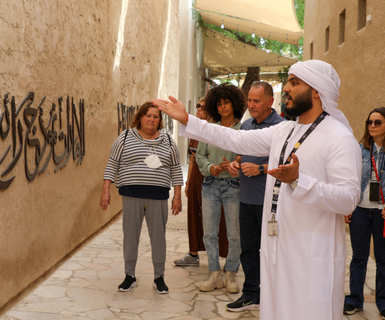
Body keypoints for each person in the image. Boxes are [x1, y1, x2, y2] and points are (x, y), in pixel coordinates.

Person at [153, 59, 361, 320]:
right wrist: (188, 119)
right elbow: (235, 137)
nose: (286, 88)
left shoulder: (339, 137)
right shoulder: (285, 130)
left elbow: (348, 199)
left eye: (295, 83)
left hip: (311, 253)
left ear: (317, 91)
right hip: (277, 247)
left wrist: (299, 181)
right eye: (288, 81)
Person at [100, 101, 183, 294]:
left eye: (156, 116)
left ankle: (159, 277)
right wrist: (105, 190)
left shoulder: (168, 141)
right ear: (140, 117)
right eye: (148, 115)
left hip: (158, 196)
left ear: (159, 120)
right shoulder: (126, 137)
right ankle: (130, 276)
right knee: (130, 236)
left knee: (158, 238)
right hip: (131, 195)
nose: (152, 119)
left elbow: (176, 169)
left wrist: (177, 196)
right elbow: (112, 163)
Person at [226, 81, 285, 311]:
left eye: (256, 101)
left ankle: (273, 295)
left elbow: (287, 163)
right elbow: (241, 154)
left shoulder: (282, 127)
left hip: (270, 203)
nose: (251, 105)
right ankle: (251, 293)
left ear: (270, 102)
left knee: (271, 250)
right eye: (249, 100)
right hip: (246, 199)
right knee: (248, 249)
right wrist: (235, 163)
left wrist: (260, 169)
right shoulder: (246, 125)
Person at [194, 84, 245, 293]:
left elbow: (247, 154)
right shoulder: (210, 129)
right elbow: (200, 156)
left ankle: (231, 273)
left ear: (234, 104)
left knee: (235, 235)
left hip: (234, 186)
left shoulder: (243, 130)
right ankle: (214, 273)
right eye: (219, 103)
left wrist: (235, 164)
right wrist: (211, 167)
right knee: (209, 234)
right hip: (210, 185)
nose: (223, 107)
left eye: (226, 102)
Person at [174, 98, 229, 267]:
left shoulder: (216, 130)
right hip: (197, 175)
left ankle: (226, 256)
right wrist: (188, 182)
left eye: (203, 107)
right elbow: (192, 158)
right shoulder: (195, 130)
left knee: (218, 216)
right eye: (197, 106)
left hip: (214, 175)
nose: (198, 109)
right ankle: (193, 253)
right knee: (194, 213)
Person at [344, 108, 385, 319]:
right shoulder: (359, 150)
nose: (372, 126)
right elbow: (350, 179)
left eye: (377, 122)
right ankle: (354, 300)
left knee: (382, 259)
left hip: (382, 212)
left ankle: (383, 303)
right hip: (360, 210)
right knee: (358, 257)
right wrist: (348, 206)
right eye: (370, 122)